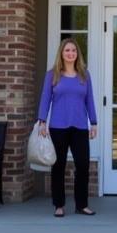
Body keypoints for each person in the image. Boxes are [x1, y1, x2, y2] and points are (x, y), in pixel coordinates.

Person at [37, 37, 97, 217]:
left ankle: (82, 204)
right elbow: (45, 98)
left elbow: (90, 100)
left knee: (83, 165)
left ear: (77, 54)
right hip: (58, 127)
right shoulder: (52, 75)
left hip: (79, 127)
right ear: (61, 54)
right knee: (59, 166)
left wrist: (93, 122)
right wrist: (42, 121)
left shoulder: (84, 75)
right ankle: (59, 205)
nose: (70, 53)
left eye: (73, 51)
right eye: (67, 51)